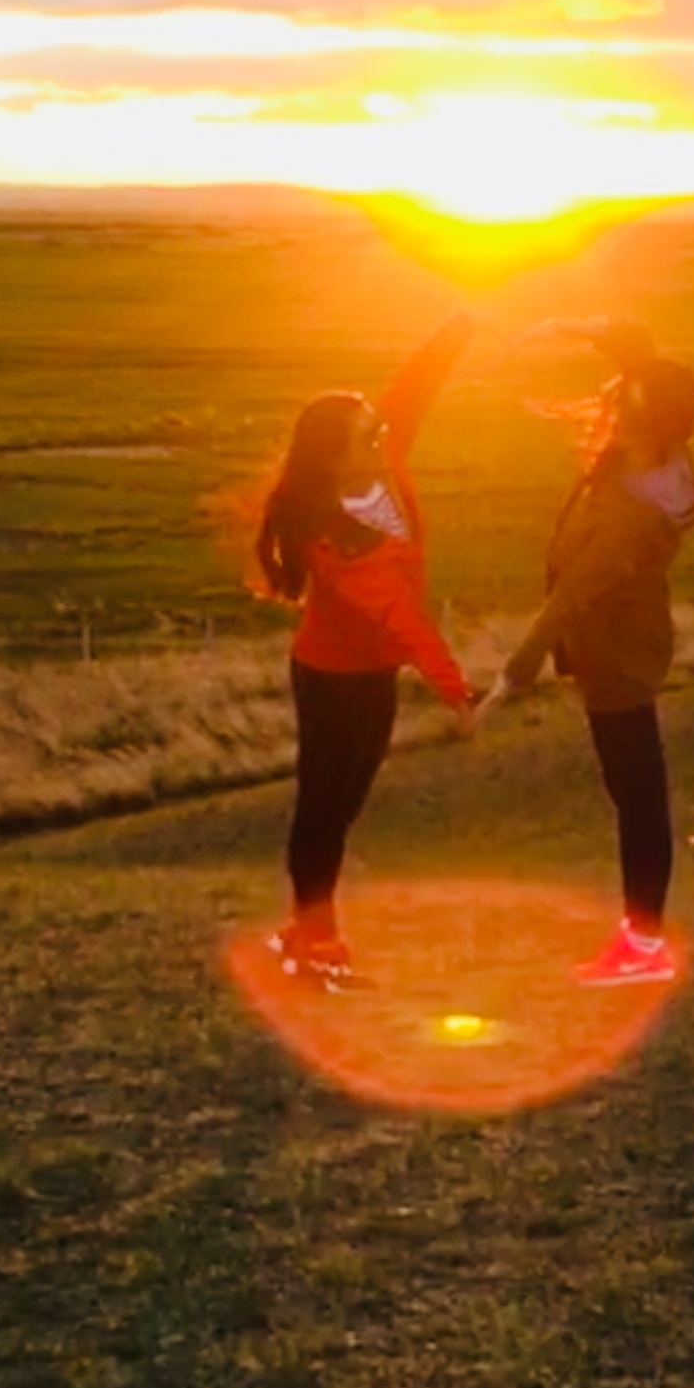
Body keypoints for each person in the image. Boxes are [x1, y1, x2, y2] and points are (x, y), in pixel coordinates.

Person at [254, 310, 479, 989]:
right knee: (323, 804)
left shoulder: (385, 463)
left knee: (344, 804)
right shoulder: (330, 527)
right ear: (334, 456)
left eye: (378, 432)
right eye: (365, 436)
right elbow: (394, 614)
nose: (380, 437)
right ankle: (317, 943)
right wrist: (453, 686)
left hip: (373, 673)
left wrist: (463, 320)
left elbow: (411, 392)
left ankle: (303, 927)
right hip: (329, 677)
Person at [500, 319, 694, 986]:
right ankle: (642, 938)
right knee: (638, 794)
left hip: (615, 655)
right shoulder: (666, 466)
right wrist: (611, 342)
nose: (611, 413)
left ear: (645, 423)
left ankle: (642, 944)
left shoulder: (627, 515)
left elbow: (572, 597)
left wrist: (521, 665)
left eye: (623, 408)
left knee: (637, 796)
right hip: (630, 646)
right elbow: (655, 377)